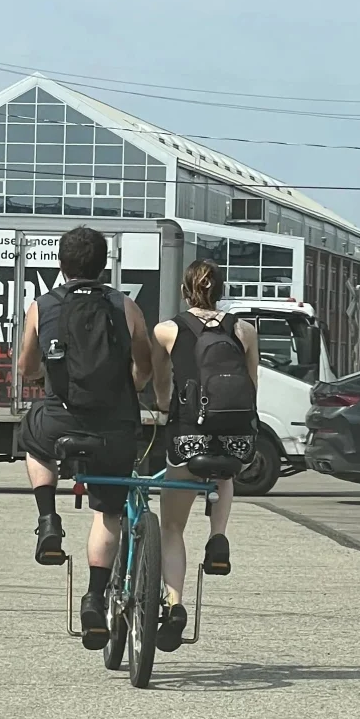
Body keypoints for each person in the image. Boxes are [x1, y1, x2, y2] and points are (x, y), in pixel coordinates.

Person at [18, 226, 152, 651]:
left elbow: (26, 368)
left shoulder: (43, 306)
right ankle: (94, 597)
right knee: (107, 512)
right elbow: (144, 367)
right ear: (104, 264)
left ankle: (48, 519)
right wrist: (128, 386)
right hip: (114, 428)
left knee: (31, 435)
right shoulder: (126, 306)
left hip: (60, 420)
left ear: (61, 265)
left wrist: (47, 377)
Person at [151, 258, 259, 652]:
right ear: (221, 290)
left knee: (171, 528)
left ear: (185, 291)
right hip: (234, 436)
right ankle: (218, 537)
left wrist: (163, 406)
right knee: (225, 473)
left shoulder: (167, 330)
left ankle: (175, 605)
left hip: (188, 438)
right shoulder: (244, 330)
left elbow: (161, 386)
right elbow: (251, 386)